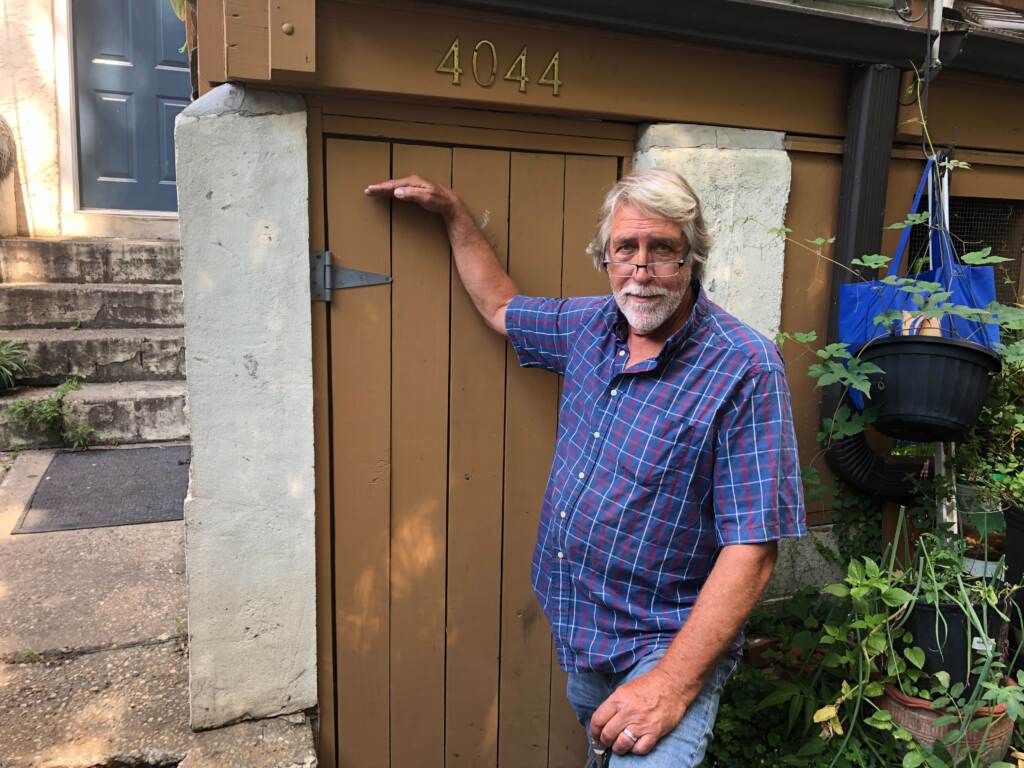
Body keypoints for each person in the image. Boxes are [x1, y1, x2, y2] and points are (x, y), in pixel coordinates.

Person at [366, 168, 806, 767]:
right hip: (582, 628)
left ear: (693, 258)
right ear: (606, 256)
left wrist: (671, 685)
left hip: (664, 641)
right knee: (601, 746)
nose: (642, 271)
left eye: (664, 250)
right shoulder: (589, 326)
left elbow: (753, 547)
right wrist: (453, 215)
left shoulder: (744, 367)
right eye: (626, 249)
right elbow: (500, 306)